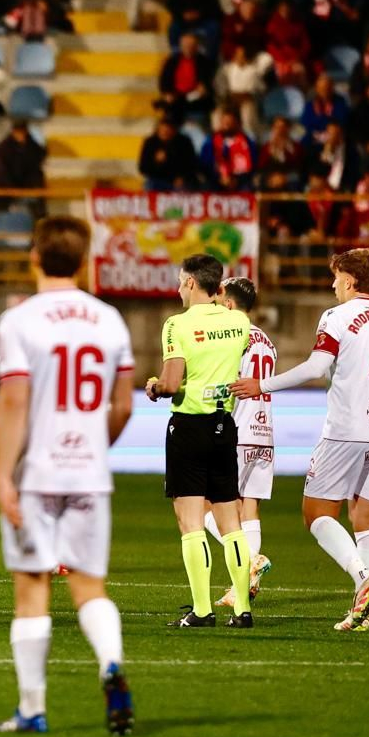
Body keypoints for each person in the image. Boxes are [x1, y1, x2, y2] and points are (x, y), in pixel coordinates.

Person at [0, 217, 135, 735]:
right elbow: (122, 406)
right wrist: (96, 447)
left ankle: (32, 708)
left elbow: (13, 400)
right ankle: (110, 663)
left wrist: (4, 474)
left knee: (32, 589)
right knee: (90, 585)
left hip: (37, 473)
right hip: (89, 474)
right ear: (83, 261)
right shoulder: (109, 320)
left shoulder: (20, 321)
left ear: (34, 256)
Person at [230, 249, 369, 632]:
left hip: (346, 428)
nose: (332, 284)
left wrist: (262, 385)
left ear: (351, 281)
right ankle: (360, 613)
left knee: (317, 513)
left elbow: (317, 367)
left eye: (336, 277)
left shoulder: (337, 316)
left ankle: (362, 578)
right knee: (367, 518)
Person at [144, 254, 254, 629]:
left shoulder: (177, 325)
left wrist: (154, 387)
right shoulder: (239, 321)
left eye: (179, 281)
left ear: (191, 283)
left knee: (190, 521)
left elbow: (172, 383)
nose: (178, 288)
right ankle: (242, 609)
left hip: (189, 426)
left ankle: (203, 609)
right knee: (230, 520)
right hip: (225, 425)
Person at [204, 278, 276, 608]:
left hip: (236, 430)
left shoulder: (234, 337)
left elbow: (226, 385)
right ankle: (240, 586)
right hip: (264, 433)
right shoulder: (268, 342)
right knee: (250, 509)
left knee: (207, 506)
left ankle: (249, 561)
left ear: (229, 304)